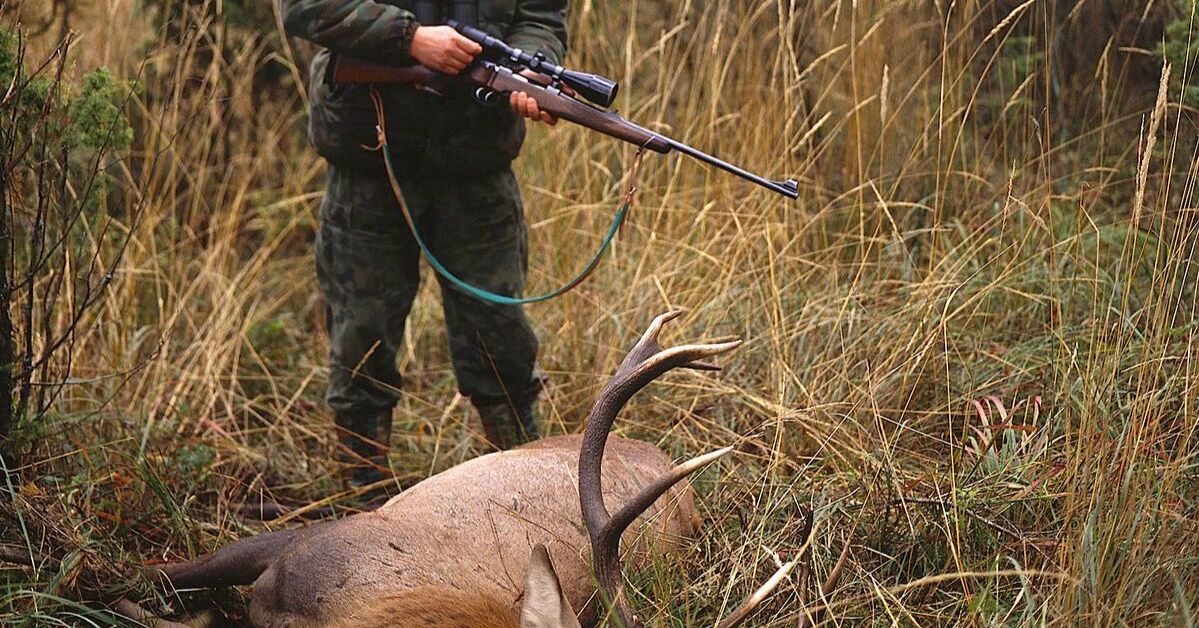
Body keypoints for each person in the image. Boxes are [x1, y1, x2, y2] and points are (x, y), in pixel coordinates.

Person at [280, 0, 567, 489]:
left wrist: (526, 66)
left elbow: (540, 16)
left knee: (500, 334)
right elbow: (307, 7)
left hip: (476, 161)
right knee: (361, 337)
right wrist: (410, 38)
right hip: (370, 156)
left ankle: (529, 494)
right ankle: (362, 497)